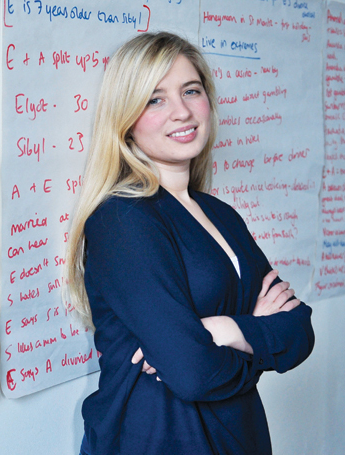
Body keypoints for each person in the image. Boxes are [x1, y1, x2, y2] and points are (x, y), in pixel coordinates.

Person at [64, 32, 314, 455]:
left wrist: (223, 329)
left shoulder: (220, 214)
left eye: (191, 91)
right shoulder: (123, 219)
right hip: (159, 439)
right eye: (155, 99)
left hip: (238, 435)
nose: (181, 112)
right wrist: (256, 337)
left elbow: (299, 331)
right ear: (125, 118)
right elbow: (194, 372)